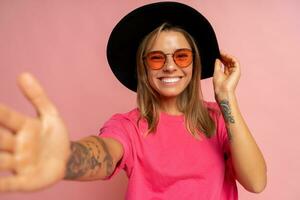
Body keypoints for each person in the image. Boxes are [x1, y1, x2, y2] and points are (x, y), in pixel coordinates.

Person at [0, 1, 267, 199]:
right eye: (157, 57)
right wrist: (66, 158)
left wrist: (227, 99)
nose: (170, 66)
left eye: (182, 56)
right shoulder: (128, 127)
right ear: (144, 67)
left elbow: (256, 182)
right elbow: (104, 153)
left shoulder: (218, 120)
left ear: (195, 65)